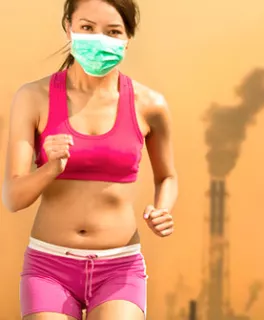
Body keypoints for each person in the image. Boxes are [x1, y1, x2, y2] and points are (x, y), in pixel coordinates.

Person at [1, 0, 178, 319]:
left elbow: (167, 176)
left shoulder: (150, 104)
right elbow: (13, 198)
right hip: (49, 267)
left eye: (113, 32)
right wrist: (50, 169)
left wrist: (162, 209)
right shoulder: (32, 97)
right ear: (68, 26)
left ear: (128, 38)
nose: (100, 39)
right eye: (87, 28)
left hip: (120, 268)